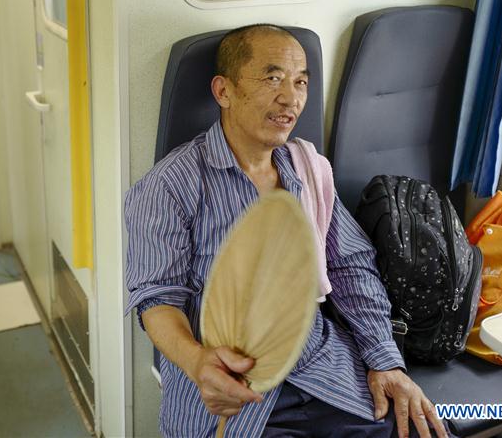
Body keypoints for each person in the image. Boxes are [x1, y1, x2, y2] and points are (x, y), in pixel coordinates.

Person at [124, 24, 450, 438]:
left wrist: (385, 359)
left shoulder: (307, 170)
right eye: (273, 78)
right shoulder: (167, 187)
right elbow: (157, 301)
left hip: (322, 367)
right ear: (223, 91)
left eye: (301, 83)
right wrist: (197, 363)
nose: (291, 98)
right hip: (233, 388)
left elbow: (350, 266)